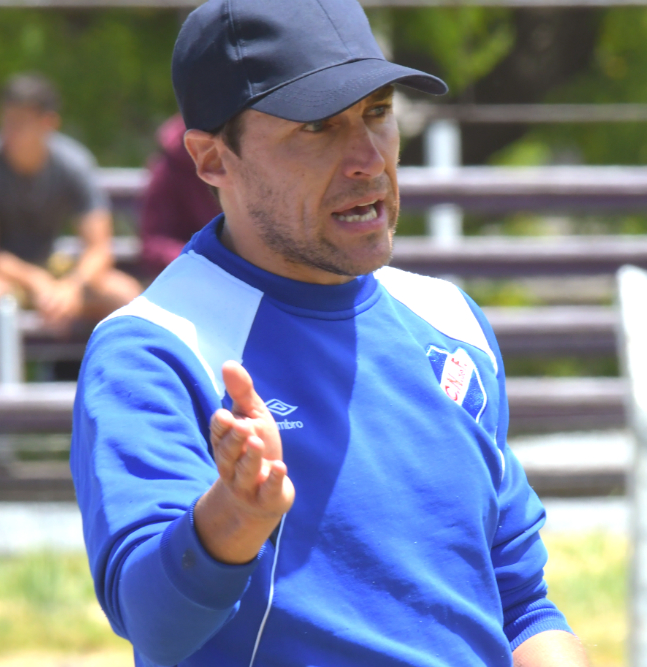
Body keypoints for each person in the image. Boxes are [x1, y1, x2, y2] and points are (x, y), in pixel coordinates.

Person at [71, 1, 588, 666]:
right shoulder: (157, 349)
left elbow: (520, 604)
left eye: (377, 112)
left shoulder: (451, 321)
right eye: (318, 126)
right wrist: (234, 518)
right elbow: (154, 624)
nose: (369, 159)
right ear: (209, 159)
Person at [0, 74, 141, 382]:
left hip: (51, 268)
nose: (9, 132)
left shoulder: (73, 163)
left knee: (123, 293)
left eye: (20, 123)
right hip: (0, 274)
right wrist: (35, 280)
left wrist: (71, 286)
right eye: (6, 121)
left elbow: (99, 248)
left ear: (48, 123)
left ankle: (126, 401)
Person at [139, 114, 221, 276]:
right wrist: (204, 263)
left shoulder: (258, 148)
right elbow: (154, 242)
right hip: (194, 277)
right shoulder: (170, 166)